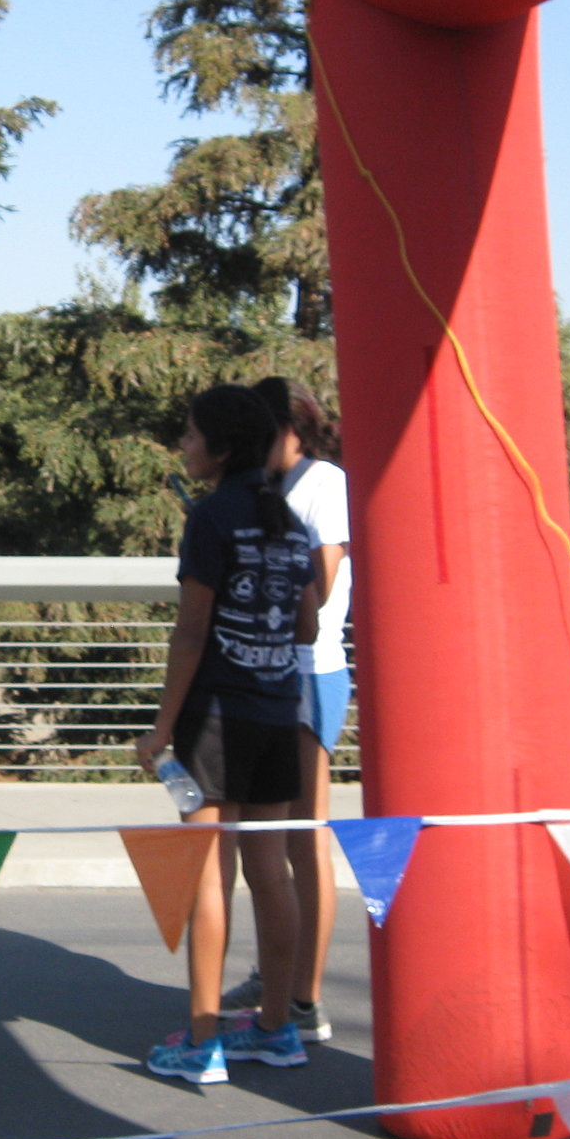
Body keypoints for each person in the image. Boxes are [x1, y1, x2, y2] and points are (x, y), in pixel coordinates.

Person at [135, 384, 321, 1085]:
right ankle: (277, 1027)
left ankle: (204, 1038)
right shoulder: (289, 522)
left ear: (221, 447)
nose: (184, 445)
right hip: (278, 709)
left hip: (215, 714)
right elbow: (306, 624)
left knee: (211, 871)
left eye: (189, 434)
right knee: (269, 867)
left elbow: (190, 633)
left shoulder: (211, 519)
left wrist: (160, 727)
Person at [216, 378, 351, 1045]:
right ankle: (279, 979)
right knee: (265, 843)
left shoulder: (323, 483)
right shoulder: (272, 487)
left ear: (288, 428)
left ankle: (303, 997)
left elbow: (318, 593)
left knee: (303, 837)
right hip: (268, 677)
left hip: (310, 672)